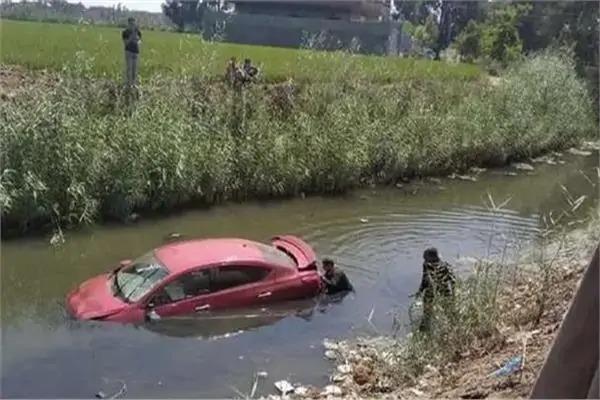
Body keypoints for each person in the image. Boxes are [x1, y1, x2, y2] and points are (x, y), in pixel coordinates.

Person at [413, 247, 456, 332]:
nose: (424, 258)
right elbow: (453, 280)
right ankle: (453, 325)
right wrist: (453, 294)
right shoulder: (445, 265)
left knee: (427, 311)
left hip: (431, 289)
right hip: (444, 289)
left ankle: (424, 329)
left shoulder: (426, 265)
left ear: (429, 258)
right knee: (448, 310)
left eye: (425, 257)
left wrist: (420, 291)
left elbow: (424, 280)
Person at [122, 17, 142, 87]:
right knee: (129, 69)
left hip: (136, 52)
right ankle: (128, 84)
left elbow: (139, 41)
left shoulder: (137, 31)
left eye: (133, 24)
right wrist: (131, 37)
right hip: (128, 52)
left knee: (135, 69)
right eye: (131, 24)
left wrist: (137, 39)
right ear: (128, 24)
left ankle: (133, 84)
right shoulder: (125, 32)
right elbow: (126, 43)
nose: (132, 25)